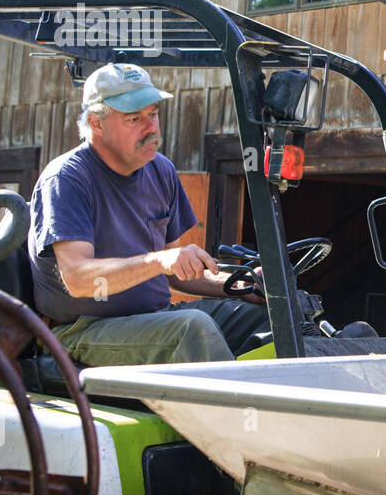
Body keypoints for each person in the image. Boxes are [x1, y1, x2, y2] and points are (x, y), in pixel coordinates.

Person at [28, 63, 271, 366]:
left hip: (155, 318)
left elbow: (174, 273)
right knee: (191, 327)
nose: (151, 128)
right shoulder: (68, 179)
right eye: (134, 118)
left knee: (270, 317)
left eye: (153, 113)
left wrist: (239, 286)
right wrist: (158, 260)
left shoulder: (161, 171)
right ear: (96, 123)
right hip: (86, 330)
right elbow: (77, 278)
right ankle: (239, 413)